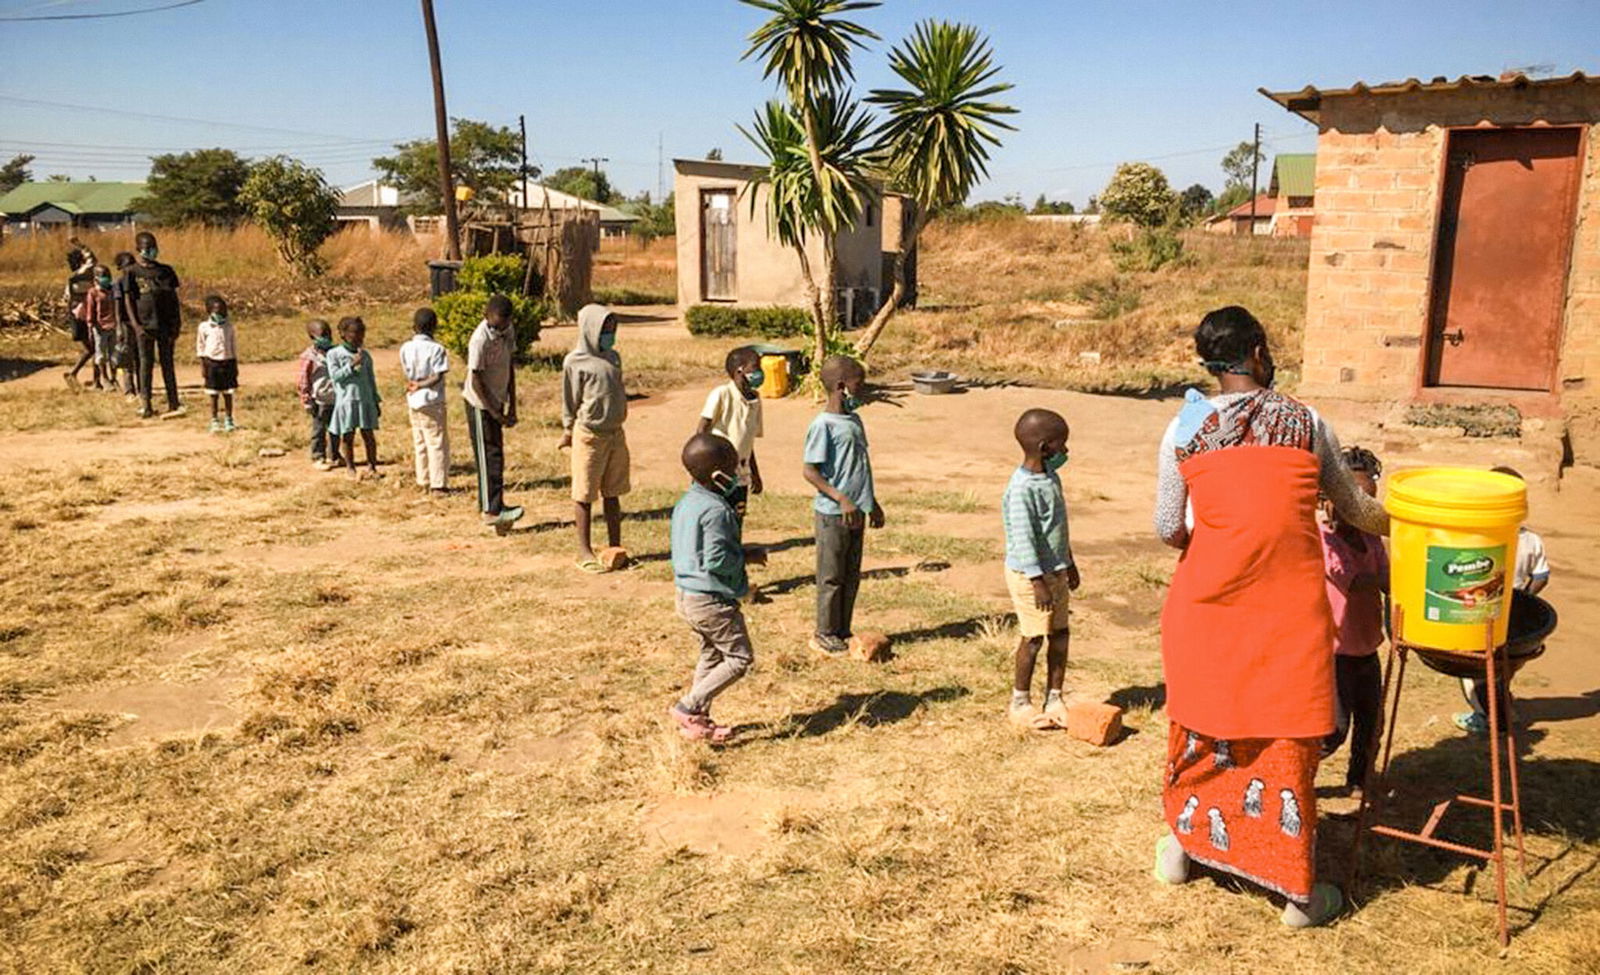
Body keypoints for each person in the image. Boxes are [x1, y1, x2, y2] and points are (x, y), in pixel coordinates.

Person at [1151, 306, 1387, 929]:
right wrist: (1408, 518)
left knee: (1206, 727)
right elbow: (1354, 509)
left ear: (1207, 360)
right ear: (1257, 351)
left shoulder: (1184, 426)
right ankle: (1296, 895)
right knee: (1283, 735)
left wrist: (1219, 538)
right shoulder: (1307, 422)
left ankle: (1185, 847)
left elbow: (1167, 526)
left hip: (1204, 608)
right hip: (1287, 612)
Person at [667, 432, 767, 743]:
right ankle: (688, 707)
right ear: (719, 476)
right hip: (711, 600)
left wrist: (742, 551)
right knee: (739, 658)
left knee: (711, 655)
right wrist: (742, 562)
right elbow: (717, 559)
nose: (739, 474)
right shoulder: (718, 511)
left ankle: (697, 722)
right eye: (734, 468)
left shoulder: (687, 503)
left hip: (686, 595)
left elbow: (699, 550)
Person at [1454, 465, 1550, 735]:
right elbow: (1542, 575)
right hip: (1513, 615)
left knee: (1472, 671)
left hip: (1479, 615)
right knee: (1504, 667)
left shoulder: (1480, 538)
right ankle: (1504, 706)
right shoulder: (1532, 540)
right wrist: (1524, 598)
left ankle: (1487, 718)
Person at [1002, 408, 1080, 728]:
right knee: (1034, 637)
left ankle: (1055, 697)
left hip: (1056, 571)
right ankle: (1020, 702)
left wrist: (1069, 563)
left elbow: (1058, 529)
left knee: (1060, 634)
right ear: (1044, 446)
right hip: (1029, 576)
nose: (1066, 452)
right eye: (1062, 445)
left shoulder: (1050, 477)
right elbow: (1023, 539)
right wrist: (1037, 581)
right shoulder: (1022, 489)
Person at [803, 354, 885, 656]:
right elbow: (810, 470)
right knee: (831, 576)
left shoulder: (854, 420)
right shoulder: (823, 425)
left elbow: (860, 466)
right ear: (841, 386)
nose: (863, 390)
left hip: (856, 512)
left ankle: (842, 629)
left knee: (850, 574)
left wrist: (871, 502)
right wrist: (841, 498)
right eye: (858, 384)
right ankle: (823, 633)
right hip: (833, 514)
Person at [1318, 446, 1389, 794]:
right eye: (1355, 500)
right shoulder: (1322, 541)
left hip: (1367, 646)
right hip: (1335, 653)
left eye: (1369, 502)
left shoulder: (1371, 539)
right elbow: (1354, 580)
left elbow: (1387, 575)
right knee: (1334, 728)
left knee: (1371, 724)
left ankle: (1359, 782)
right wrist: (1398, 580)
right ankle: (1296, 777)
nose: (1362, 509)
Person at [561, 303, 629, 570]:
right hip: (590, 435)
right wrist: (568, 429)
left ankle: (615, 545)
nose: (610, 336)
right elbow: (570, 398)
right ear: (590, 330)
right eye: (605, 331)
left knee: (614, 491)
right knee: (585, 492)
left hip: (615, 434)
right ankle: (584, 549)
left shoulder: (613, 358)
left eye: (612, 331)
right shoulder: (575, 362)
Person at [463, 295, 522, 532]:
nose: (501, 327)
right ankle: (490, 511)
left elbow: (509, 367)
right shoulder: (480, 339)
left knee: (496, 456)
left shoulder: (507, 331)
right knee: (488, 456)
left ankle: (496, 505)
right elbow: (476, 379)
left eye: (505, 323)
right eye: (497, 323)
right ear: (486, 316)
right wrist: (493, 412)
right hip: (480, 403)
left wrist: (511, 404)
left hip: (497, 401)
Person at [122, 231, 184, 418]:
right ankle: (146, 403)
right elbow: (128, 301)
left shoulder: (166, 271)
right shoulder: (131, 273)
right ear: (138, 249)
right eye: (146, 247)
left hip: (165, 325)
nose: (150, 250)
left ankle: (174, 402)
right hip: (144, 326)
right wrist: (136, 326)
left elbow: (173, 299)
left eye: (153, 246)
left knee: (167, 364)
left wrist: (177, 324)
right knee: (145, 364)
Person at [698, 347, 765, 517]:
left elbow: (748, 442)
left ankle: (735, 544)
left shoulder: (755, 400)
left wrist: (754, 474)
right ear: (740, 370)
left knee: (737, 516)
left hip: (741, 474)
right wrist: (700, 467)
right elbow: (702, 430)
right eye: (756, 367)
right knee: (718, 515)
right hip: (718, 472)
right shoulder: (721, 394)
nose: (760, 372)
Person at [400, 307, 451, 493]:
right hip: (431, 400)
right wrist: (422, 385)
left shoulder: (405, 347)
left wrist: (415, 385)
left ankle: (423, 480)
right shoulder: (437, 349)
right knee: (436, 442)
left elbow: (406, 372)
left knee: (419, 440)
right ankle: (439, 485)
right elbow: (437, 376)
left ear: (414, 327)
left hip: (413, 400)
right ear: (435, 327)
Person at [327, 316, 381, 479]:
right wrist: (350, 365)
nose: (359, 338)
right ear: (343, 334)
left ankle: (372, 466)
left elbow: (371, 379)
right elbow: (335, 376)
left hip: (364, 400)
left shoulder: (365, 356)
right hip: (346, 401)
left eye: (361, 334)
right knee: (347, 435)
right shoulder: (334, 354)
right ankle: (350, 467)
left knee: (368, 434)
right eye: (354, 334)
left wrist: (376, 400)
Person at [296, 319, 342, 470]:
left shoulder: (335, 352)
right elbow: (303, 380)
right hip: (319, 399)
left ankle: (334, 454)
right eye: (323, 335)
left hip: (336, 397)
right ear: (312, 337)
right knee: (319, 429)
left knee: (336, 429)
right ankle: (318, 456)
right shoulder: (309, 357)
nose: (327, 338)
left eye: (329, 334)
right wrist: (307, 400)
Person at [195, 295, 238, 433]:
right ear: (209, 311)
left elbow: (233, 346)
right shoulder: (204, 327)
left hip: (227, 361)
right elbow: (200, 346)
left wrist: (235, 364)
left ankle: (229, 419)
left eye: (222, 310)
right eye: (216, 311)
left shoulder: (229, 327)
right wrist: (203, 366)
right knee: (213, 394)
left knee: (228, 393)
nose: (220, 313)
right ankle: (214, 420)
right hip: (211, 362)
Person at [70, 265, 117, 392]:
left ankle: (101, 381)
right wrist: (91, 326)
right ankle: (100, 379)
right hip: (89, 323)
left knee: (106, 353)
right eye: (103, 276)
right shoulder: (78, 284)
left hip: (110, 325)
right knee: (95, 352)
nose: (106, 279)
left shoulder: (111, 290)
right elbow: (89, 311)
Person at [110, 252, 141, 398]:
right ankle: (129, 389)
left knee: (140, 356)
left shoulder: (139, 281)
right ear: (121, 267)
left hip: (140, 323)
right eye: (129, 265)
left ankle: (142, 387)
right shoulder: (119, 283)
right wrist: (118, 327)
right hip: (126, 323)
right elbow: (117, 307)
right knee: (127, 357)